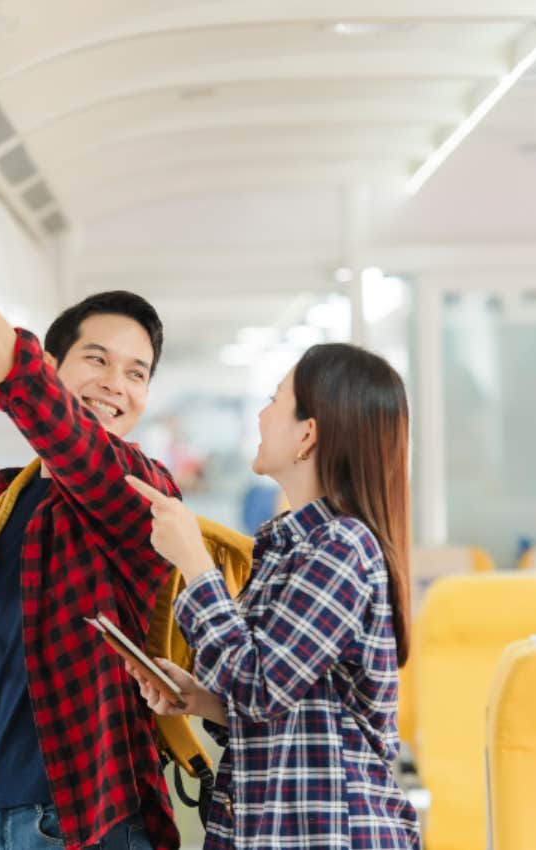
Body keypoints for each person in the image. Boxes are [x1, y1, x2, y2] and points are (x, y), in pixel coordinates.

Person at [0, 172, 181, 850]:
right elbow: (9, 656)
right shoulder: (12, 498)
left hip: (87, 814)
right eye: (97, 359)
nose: (116, 385)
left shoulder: (139, 488)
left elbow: (40, 407)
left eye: (136, 372)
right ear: (60, 366)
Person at [125, 344, 422, 849]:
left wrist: (195, 564)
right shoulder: (288, 547)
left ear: (307, 433)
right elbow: (287, 706)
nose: (261, 415)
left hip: (329, 833)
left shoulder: (342, 546)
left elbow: (260, 688)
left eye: (274, 400)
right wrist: (200, 699)